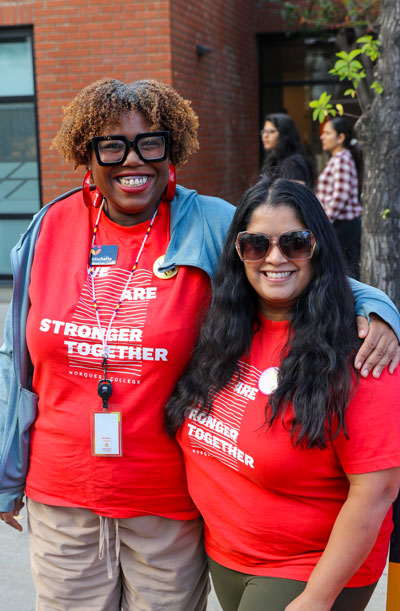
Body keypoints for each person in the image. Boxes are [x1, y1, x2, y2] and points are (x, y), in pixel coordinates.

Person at [0, 78, 399, 611]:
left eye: (150, 143)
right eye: (112, 145)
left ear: (173, 150)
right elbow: (16, 359)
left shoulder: (207, 222)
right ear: (86, 154)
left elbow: (287, 260)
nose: (132, 160)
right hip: (63, 496)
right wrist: (7, 472)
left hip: (166, 503)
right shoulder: (49, 226)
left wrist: (380, 311)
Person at [166, 176, 400, 611]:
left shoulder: (360, 348)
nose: (274, 258)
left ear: (318, 249)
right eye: (256, 244)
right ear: (238, 253)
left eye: (294, 242)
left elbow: (377, 490)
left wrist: (316, 597)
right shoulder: (223, 327)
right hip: (227, 557)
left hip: (307, 569)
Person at [317, 116, 362, 279]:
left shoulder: (342, 159)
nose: (322, 136)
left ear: (340, 138)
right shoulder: (339, 159)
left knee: (344, 271)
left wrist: (322, 221)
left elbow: (340, 197)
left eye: (327, 133)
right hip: (341, 224)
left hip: (342, 224)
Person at [260, 113, 315, 186]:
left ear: (284, 133)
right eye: (264, 131)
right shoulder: (276, 159)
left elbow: (294, 195)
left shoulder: (291, 163)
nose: (265, 136)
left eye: (271, 131)